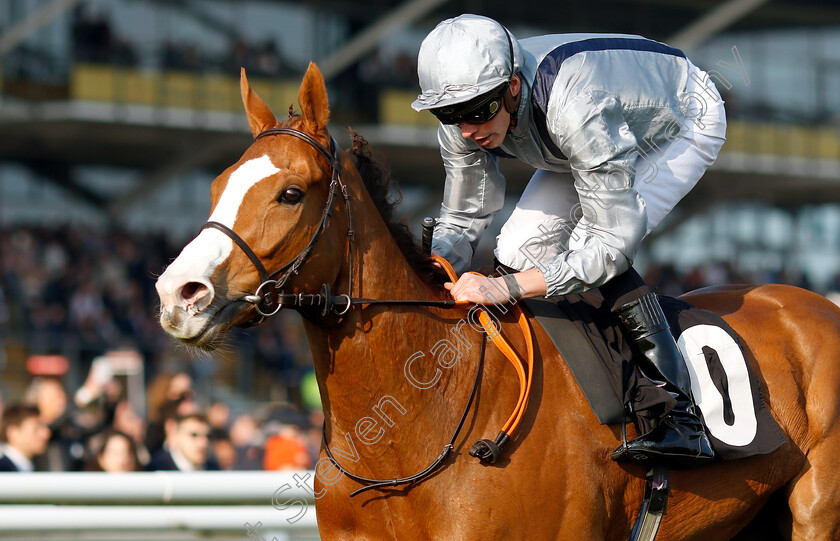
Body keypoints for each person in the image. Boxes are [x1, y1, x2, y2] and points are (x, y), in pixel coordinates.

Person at [412, 15, 727, 466]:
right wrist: (436, 266)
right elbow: (464, 212)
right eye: (450, 116)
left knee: (582, 247)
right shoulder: (466, 108)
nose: (467, 130)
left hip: (679, 121)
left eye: (479, 112)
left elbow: (610, 245)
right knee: (517, 249)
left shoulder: (574, 105)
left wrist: (506, 288)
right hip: (596, 130)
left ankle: (682, 416)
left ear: (513, 87)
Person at [146, 413, 218, 471]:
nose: (203, 443)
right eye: (194, 435)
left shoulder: (214, 469)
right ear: (175, 435)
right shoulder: (156, 468)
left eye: (208, 436)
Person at [0, 404, 51, 472]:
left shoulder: (35, 466)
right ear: (13, 433)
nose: (46, 434)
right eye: (36, 429)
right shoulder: (3, 470)